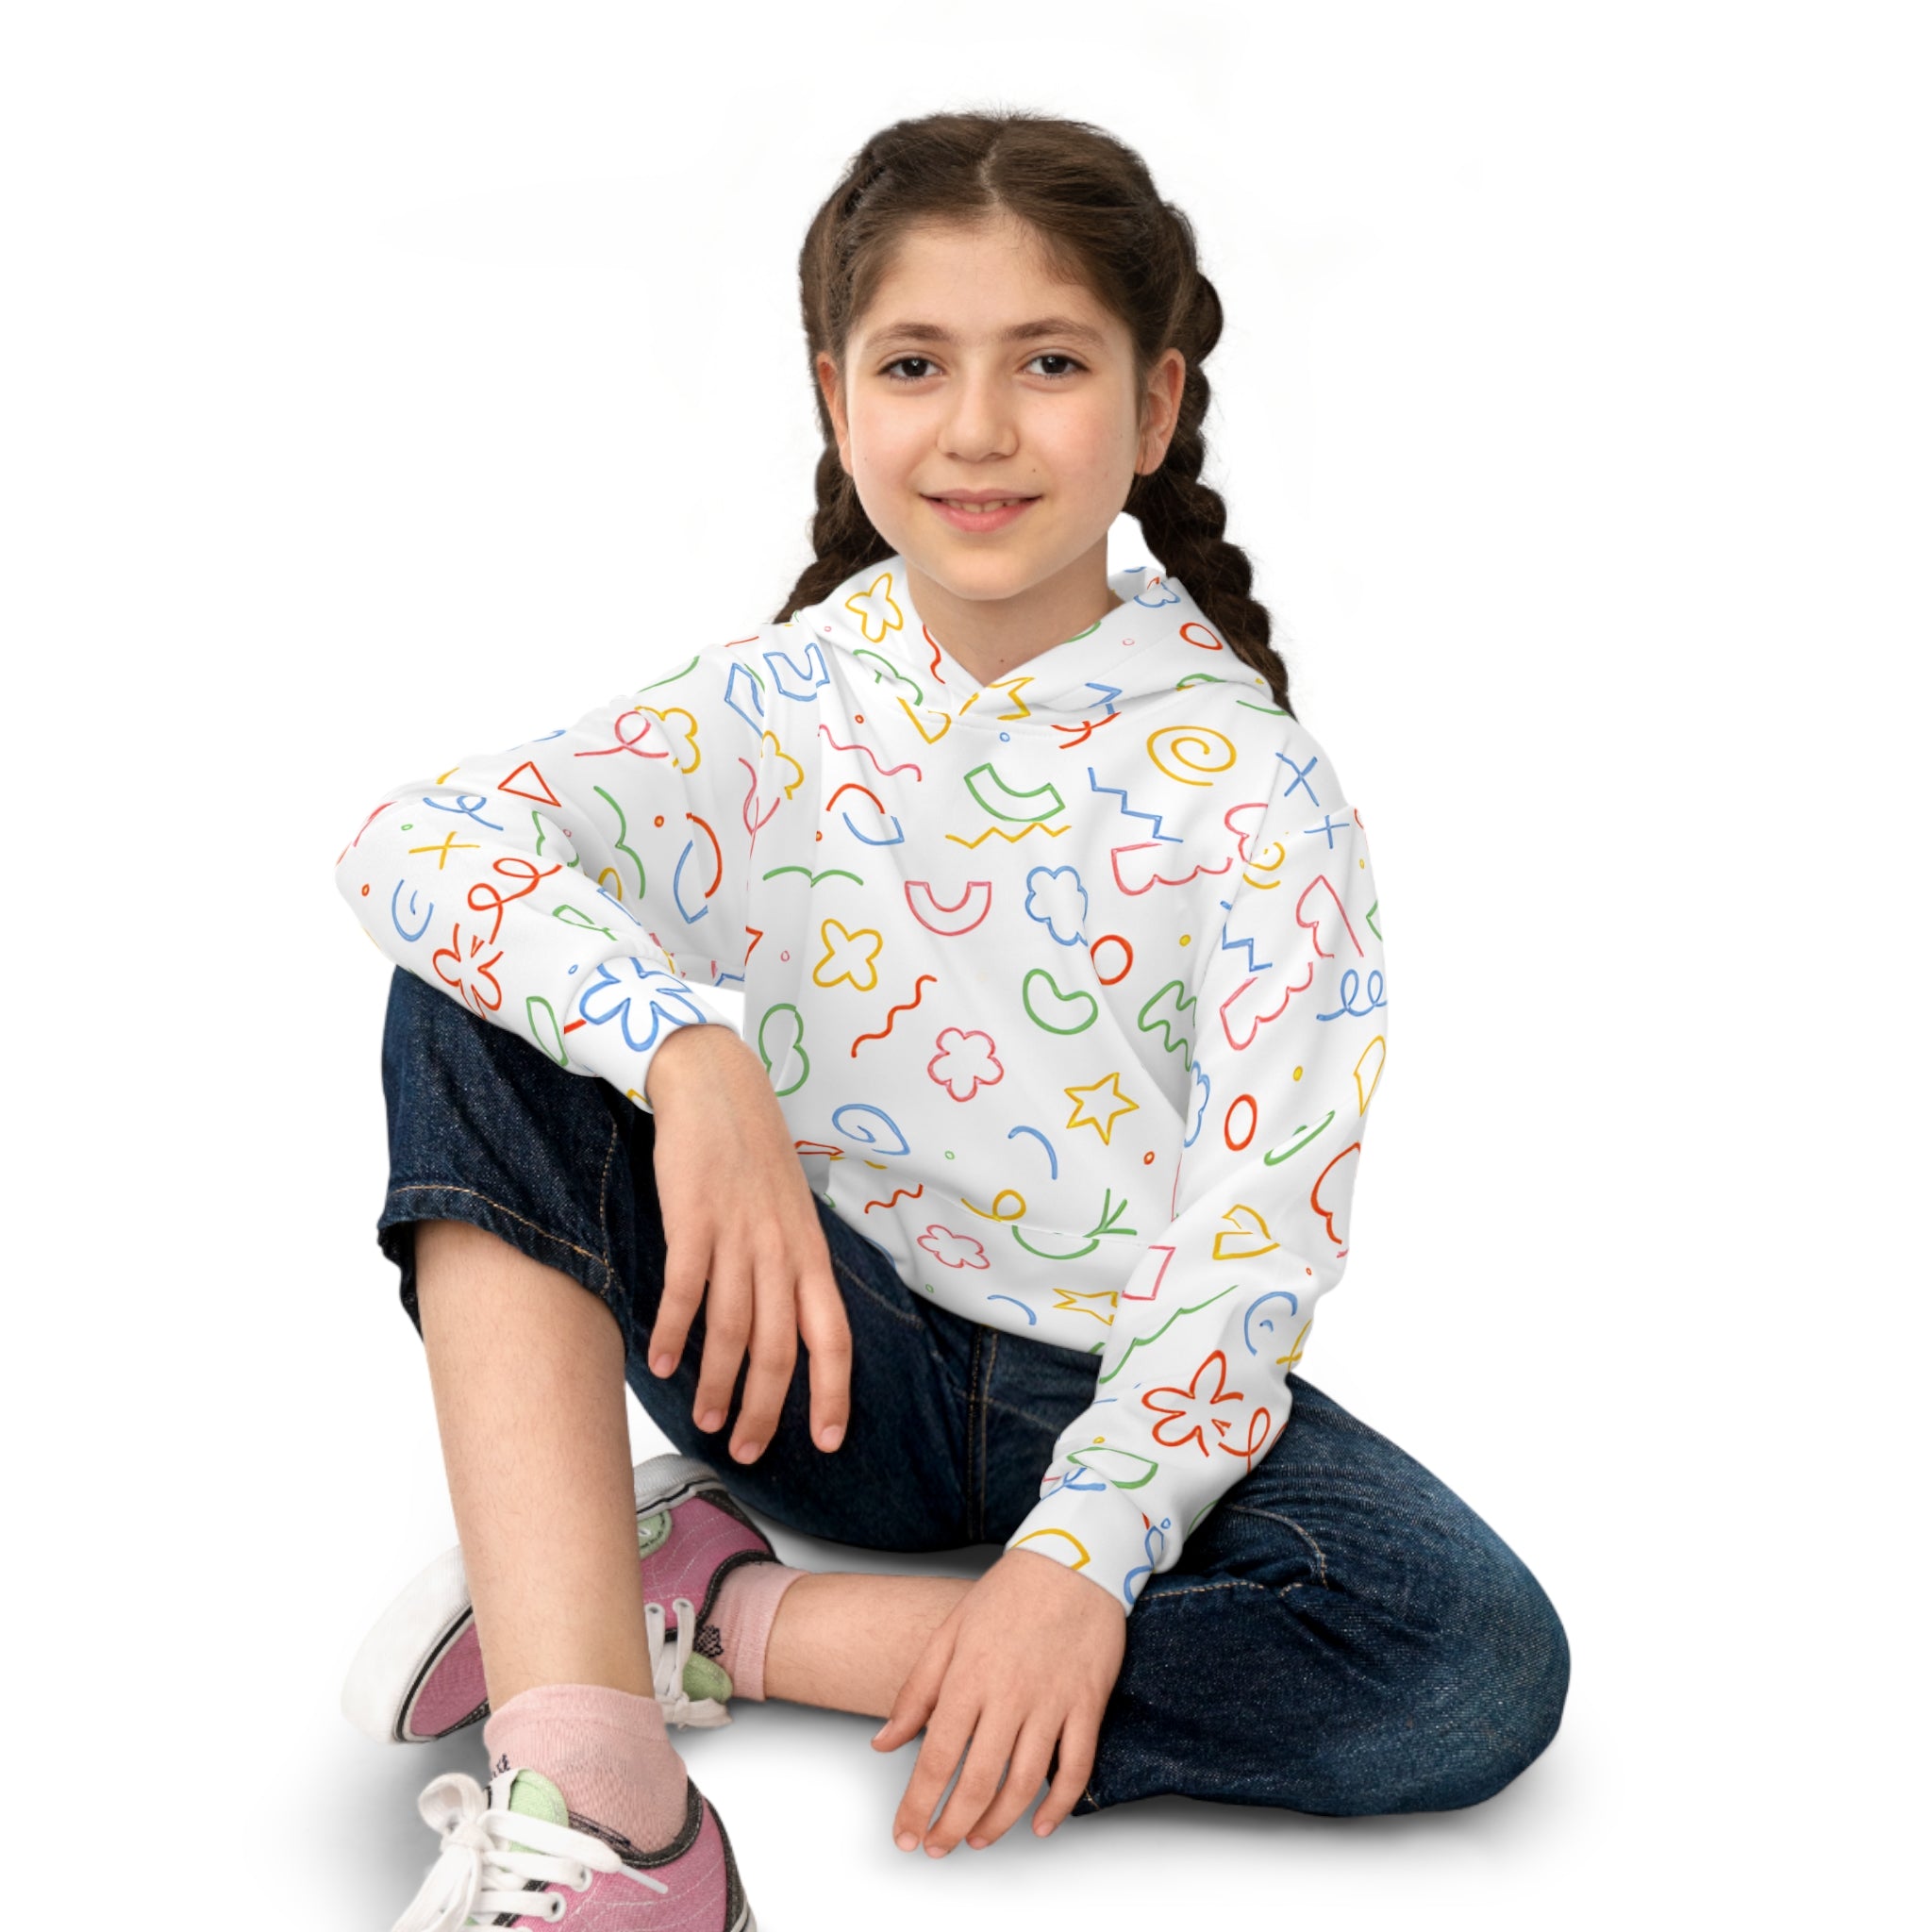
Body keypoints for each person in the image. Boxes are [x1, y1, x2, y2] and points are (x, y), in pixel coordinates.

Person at [336, 108, 1569, 1932]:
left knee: (1470, 1668)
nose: (978, 429)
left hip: (1104, 1387)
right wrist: (694, 1056)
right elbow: (410, 845)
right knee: (470, 999)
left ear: (1151, 411)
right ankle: (598, 1781)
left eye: (1048, 364)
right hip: (798, 1354)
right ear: (839, 397)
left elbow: (1254, 1244)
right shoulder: (773, 704)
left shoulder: (1252, 788)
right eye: (918, 364)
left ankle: (698, 1613)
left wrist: (1077, 1562)